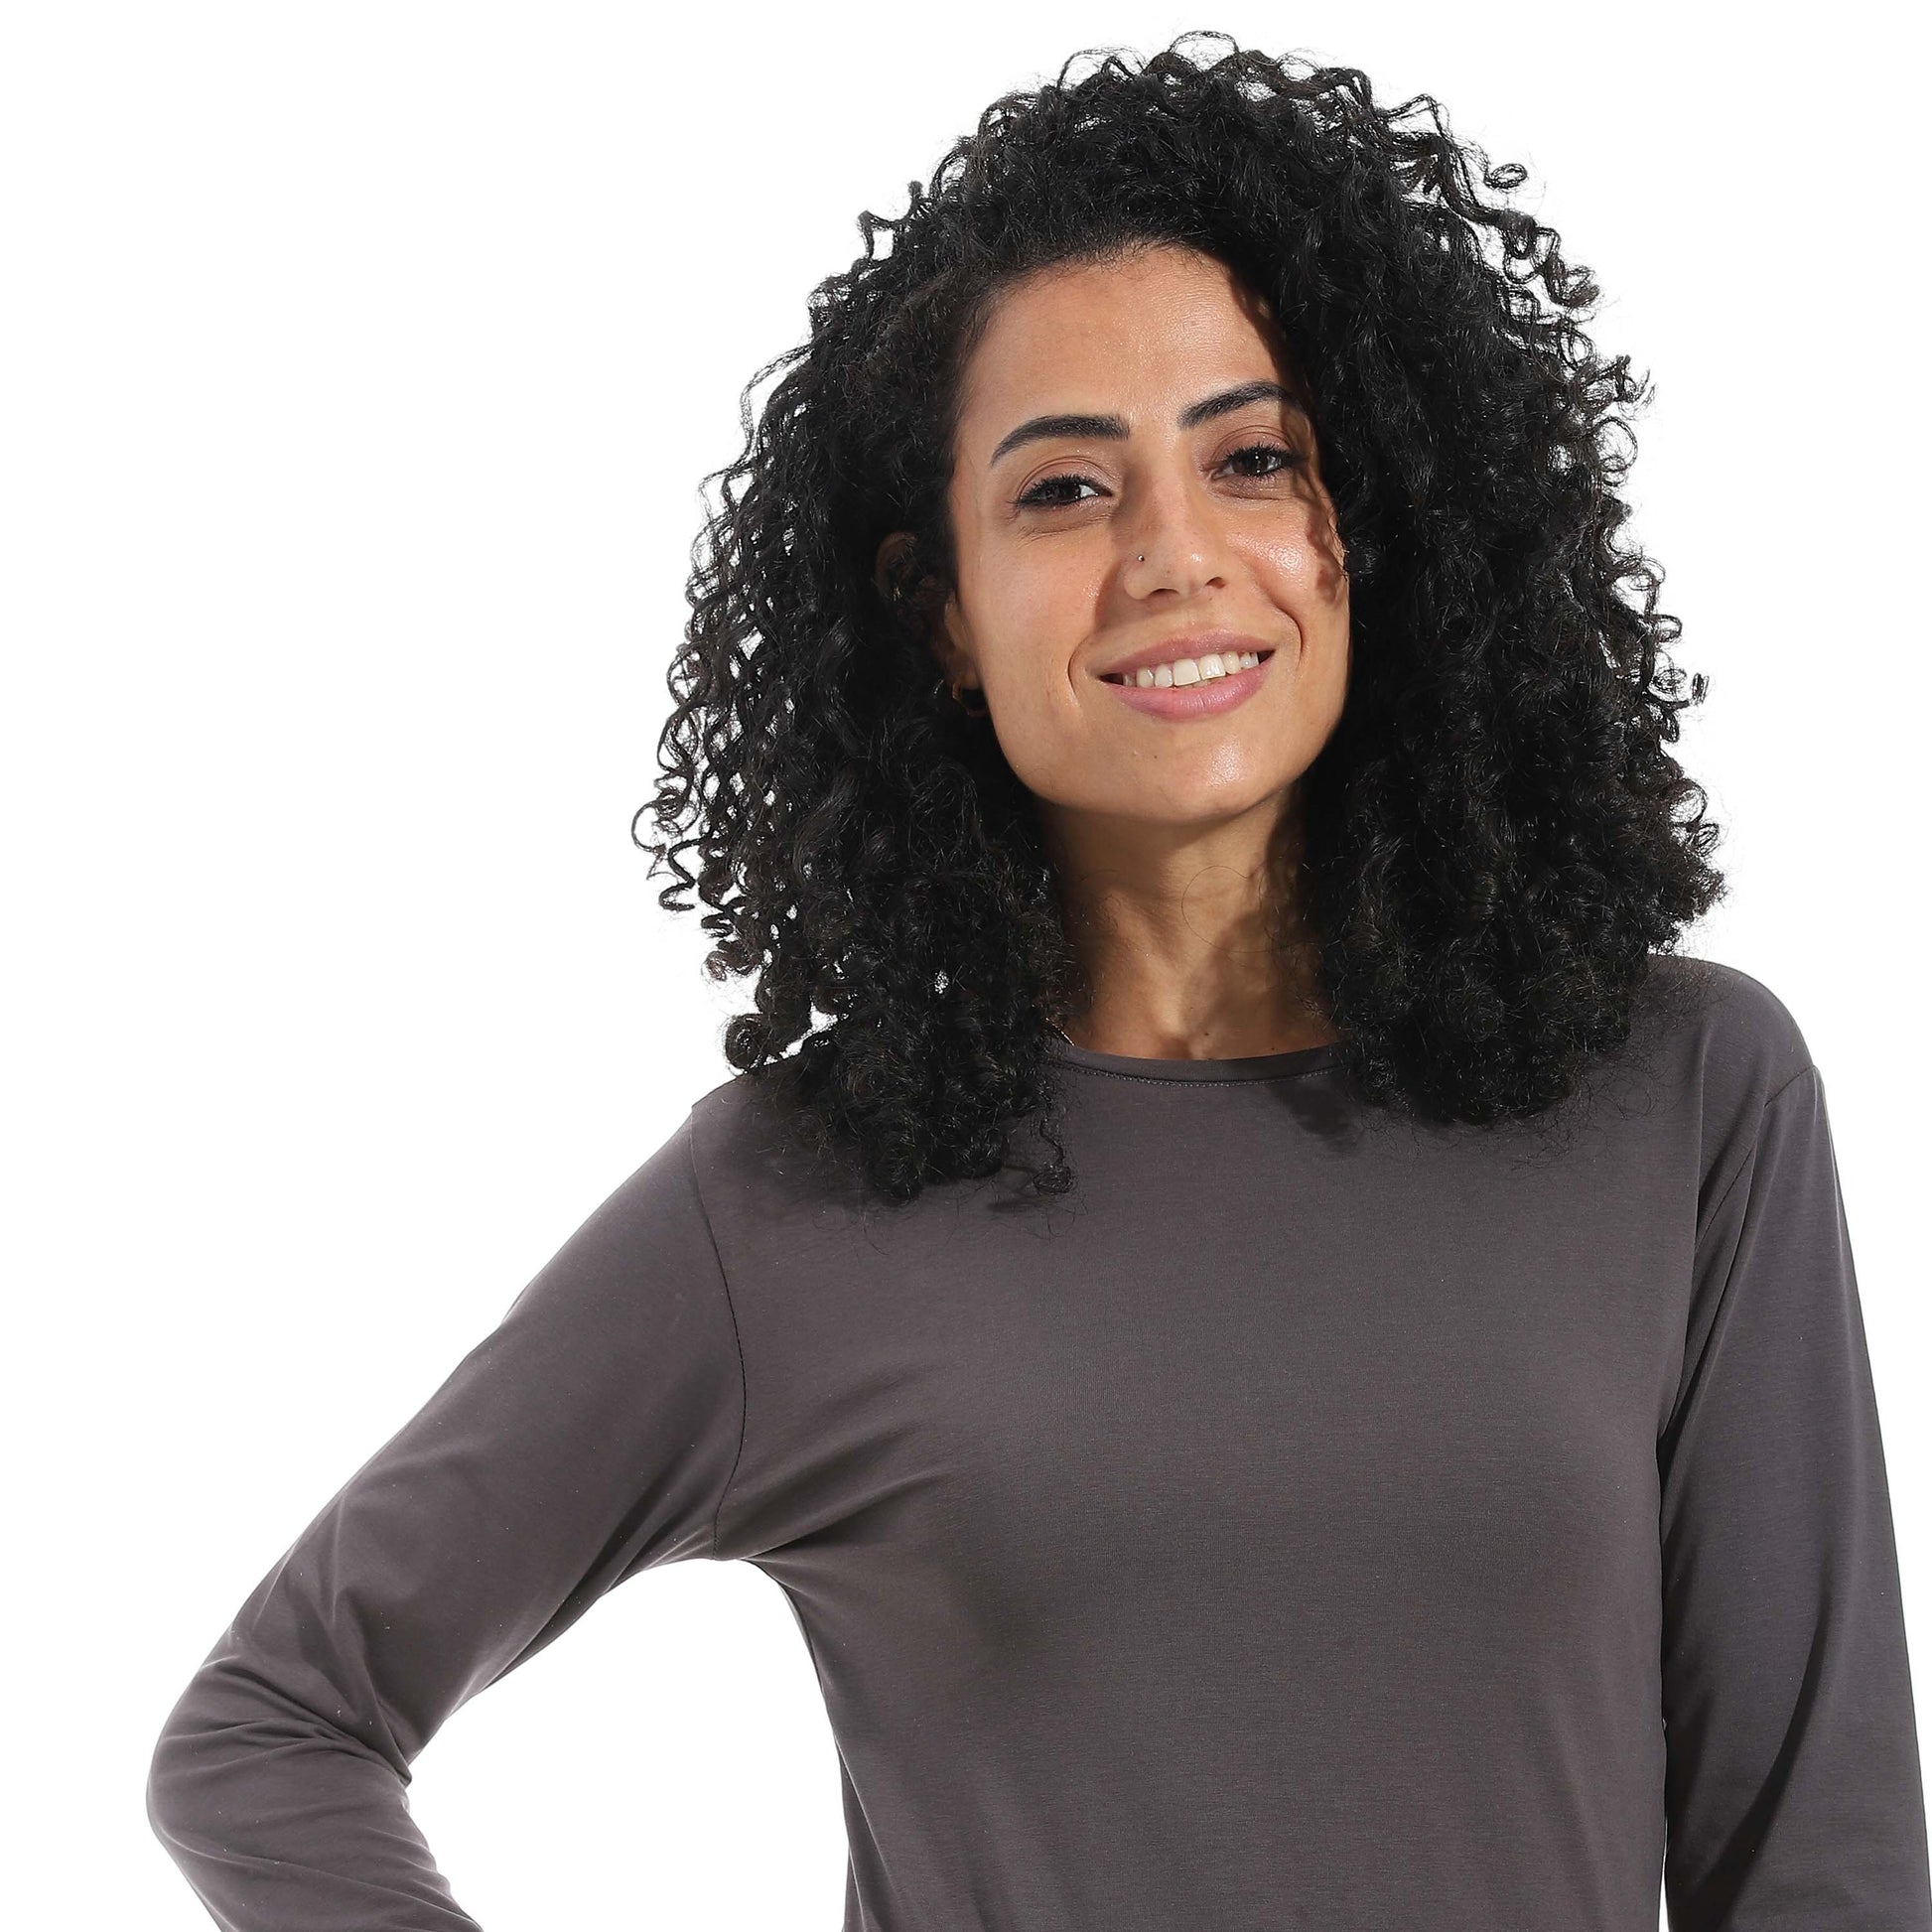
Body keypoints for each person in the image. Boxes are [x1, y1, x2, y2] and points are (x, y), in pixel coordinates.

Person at [146, 32, 1932, 1930]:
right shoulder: (795, 1195)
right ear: (943, 611)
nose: (1174, 557)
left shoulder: (1679, 1093)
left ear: (1372, 528)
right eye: (1066, 489)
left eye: (1253, 460)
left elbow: (1817, 1865)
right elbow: (271, 1726)